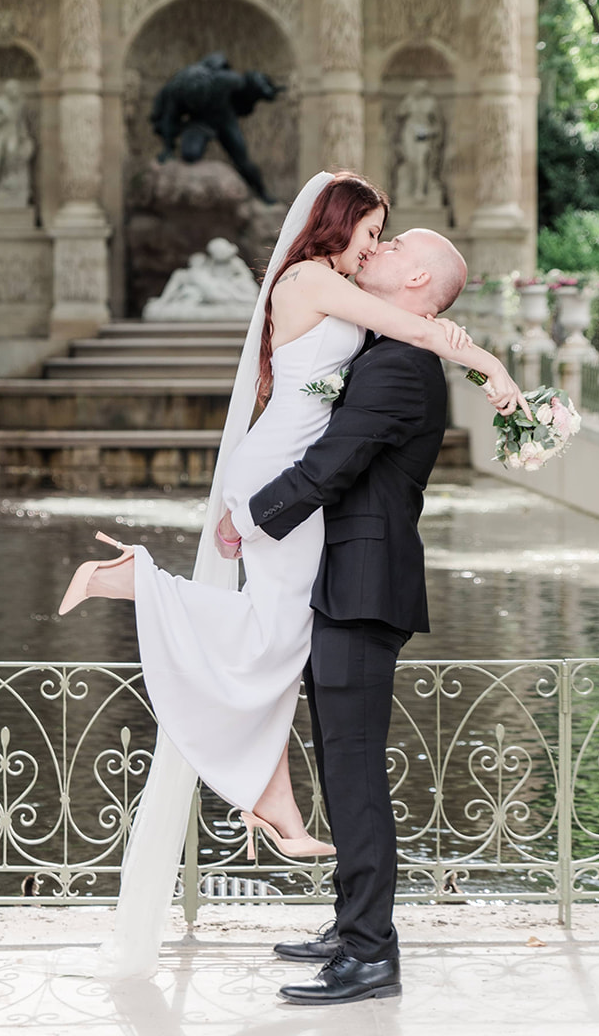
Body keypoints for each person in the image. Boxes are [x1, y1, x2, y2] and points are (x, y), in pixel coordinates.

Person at [58, 175, 523, 909]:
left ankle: (270, 796)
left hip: (275, 468)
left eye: (384, 239)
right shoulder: (311, 278)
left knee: (276, 632)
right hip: (281, 473)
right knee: (274, 632)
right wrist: (493, 369)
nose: (374, 245)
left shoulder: (333, 291)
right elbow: (419, 329)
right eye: (372, 231)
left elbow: (411, 329)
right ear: (338, 227)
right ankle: (139, 588)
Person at [237, 226, 469, 1004]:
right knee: (342, 765)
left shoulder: (403, 366)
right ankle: (352, 925)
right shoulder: (381, 349)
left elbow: (332, 466)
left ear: (419, 283)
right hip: (338, 584)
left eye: (396, 244)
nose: (381, 247)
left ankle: (371, 953)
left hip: (362, 589)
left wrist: (250, 516)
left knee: (356, 774)